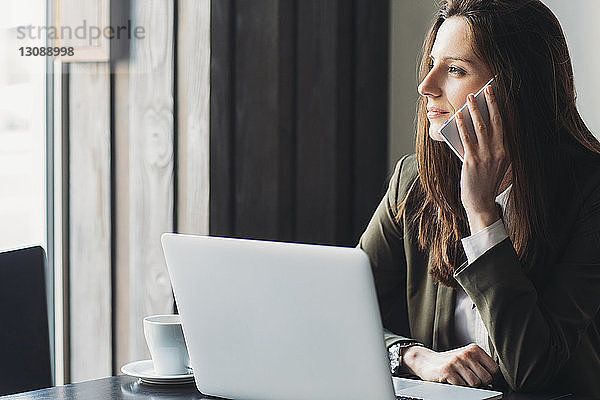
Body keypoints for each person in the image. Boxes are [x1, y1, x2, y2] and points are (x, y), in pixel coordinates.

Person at [357, 0, 600, 396]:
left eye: (454, 69)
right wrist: (414, 357)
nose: (426, 86)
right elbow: (344, 312)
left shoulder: (591, 195)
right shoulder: (413, 183)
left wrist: (482, 213)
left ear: (514, 88)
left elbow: (529, 369)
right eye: (432, 63)